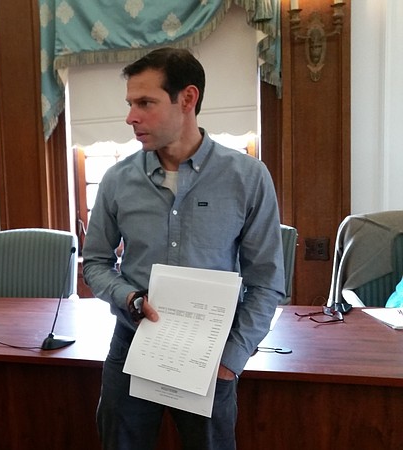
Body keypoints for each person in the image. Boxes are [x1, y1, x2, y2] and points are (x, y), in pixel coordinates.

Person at [82, 47, 284, 450]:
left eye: (145, 103)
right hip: (131, 346)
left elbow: (267, 282)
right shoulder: (117, 180)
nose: (130, 117)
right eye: (130, 103)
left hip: (210, 355)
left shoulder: (247, 177)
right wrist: (130, 297)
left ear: (187, 99)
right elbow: (96, 263)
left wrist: (232, 358)